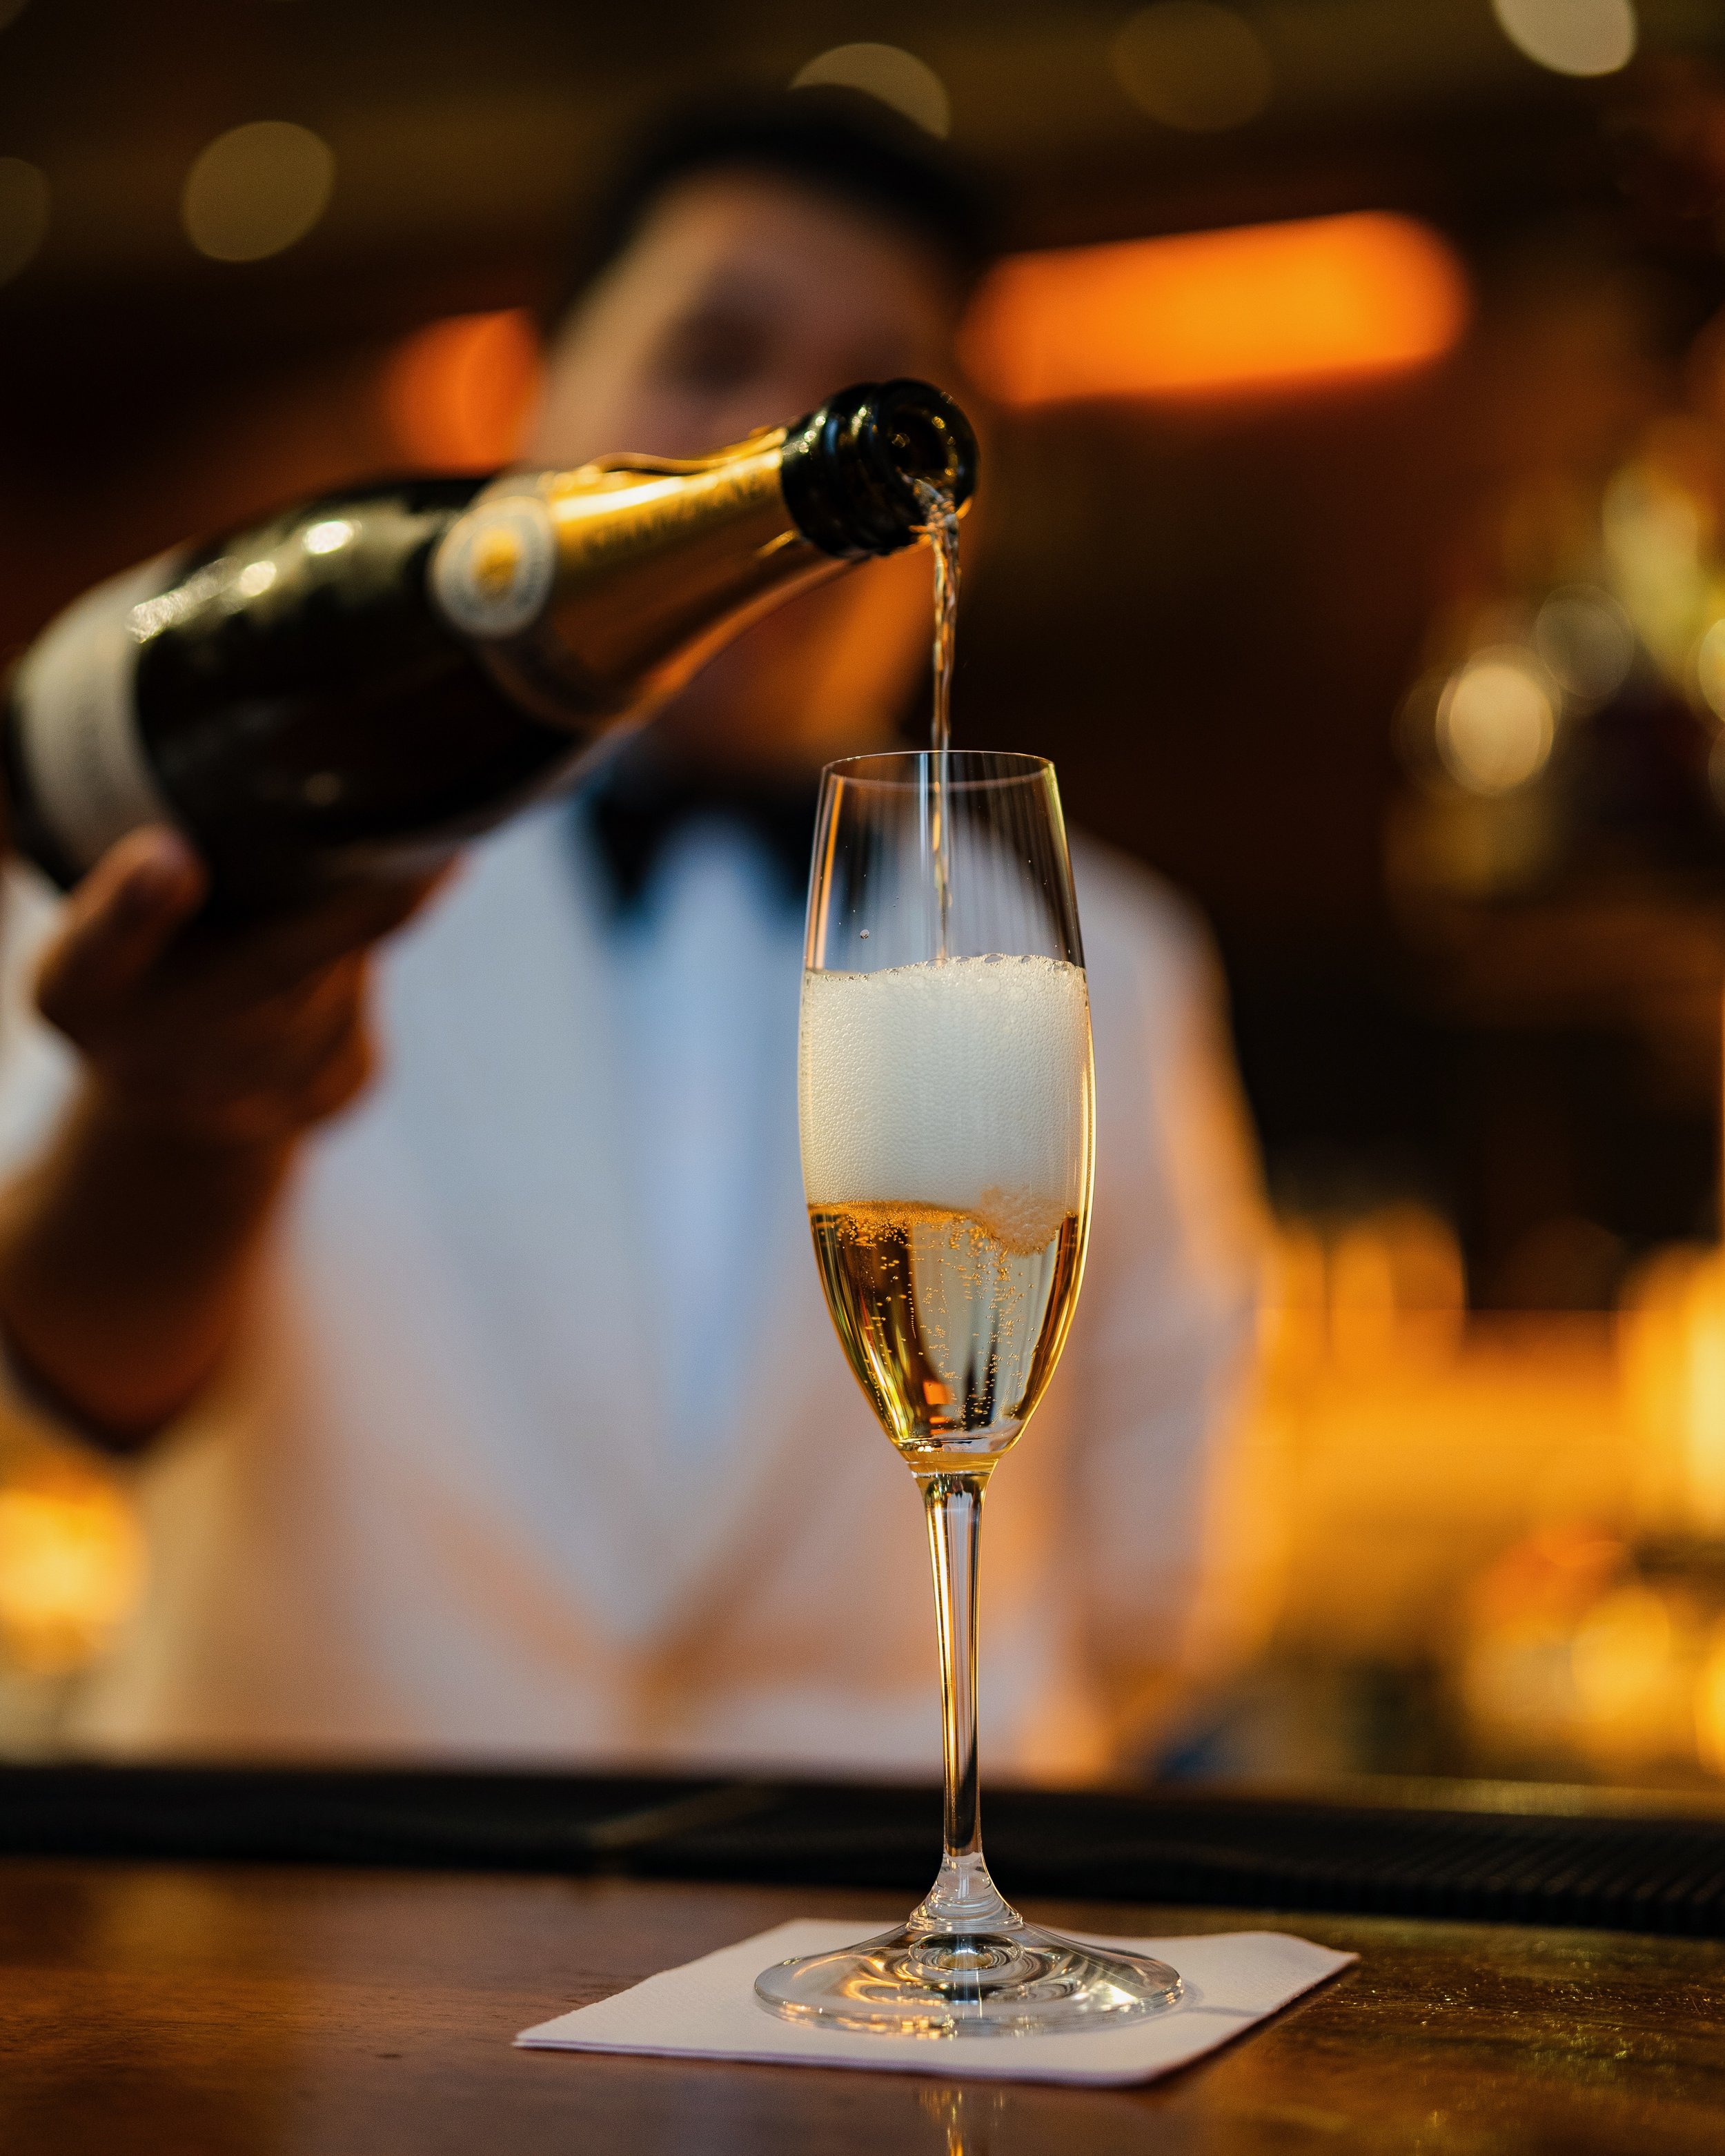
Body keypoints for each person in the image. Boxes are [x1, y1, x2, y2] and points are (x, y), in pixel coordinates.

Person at [0, 92, 1265, 1777]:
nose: (764, 445)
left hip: (895, 2006)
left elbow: (1168, 1579)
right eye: (706, 351)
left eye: (856, 398)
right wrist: (188, 1122)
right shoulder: (268, 852)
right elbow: (56, 1401)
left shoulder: (1114, 956)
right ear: (539, 396)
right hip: (309, 1978)